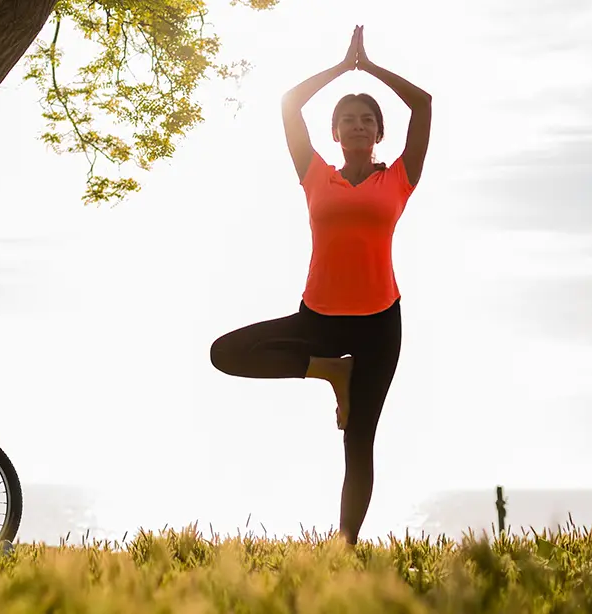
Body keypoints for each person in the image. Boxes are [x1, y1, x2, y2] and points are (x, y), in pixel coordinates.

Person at [209, 25, 432, 546]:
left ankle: (344, 548)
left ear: (379, 132)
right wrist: (339, 69)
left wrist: (369, 67)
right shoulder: (315, 173)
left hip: (380, 324)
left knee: (360, 443)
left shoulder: (399, 177)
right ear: (334, 133)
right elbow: (289, 104)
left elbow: (423, 105)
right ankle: (330, 372)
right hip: (319, 321)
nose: (357, 125)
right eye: (347, 120)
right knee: (226, 352)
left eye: (367, 120)